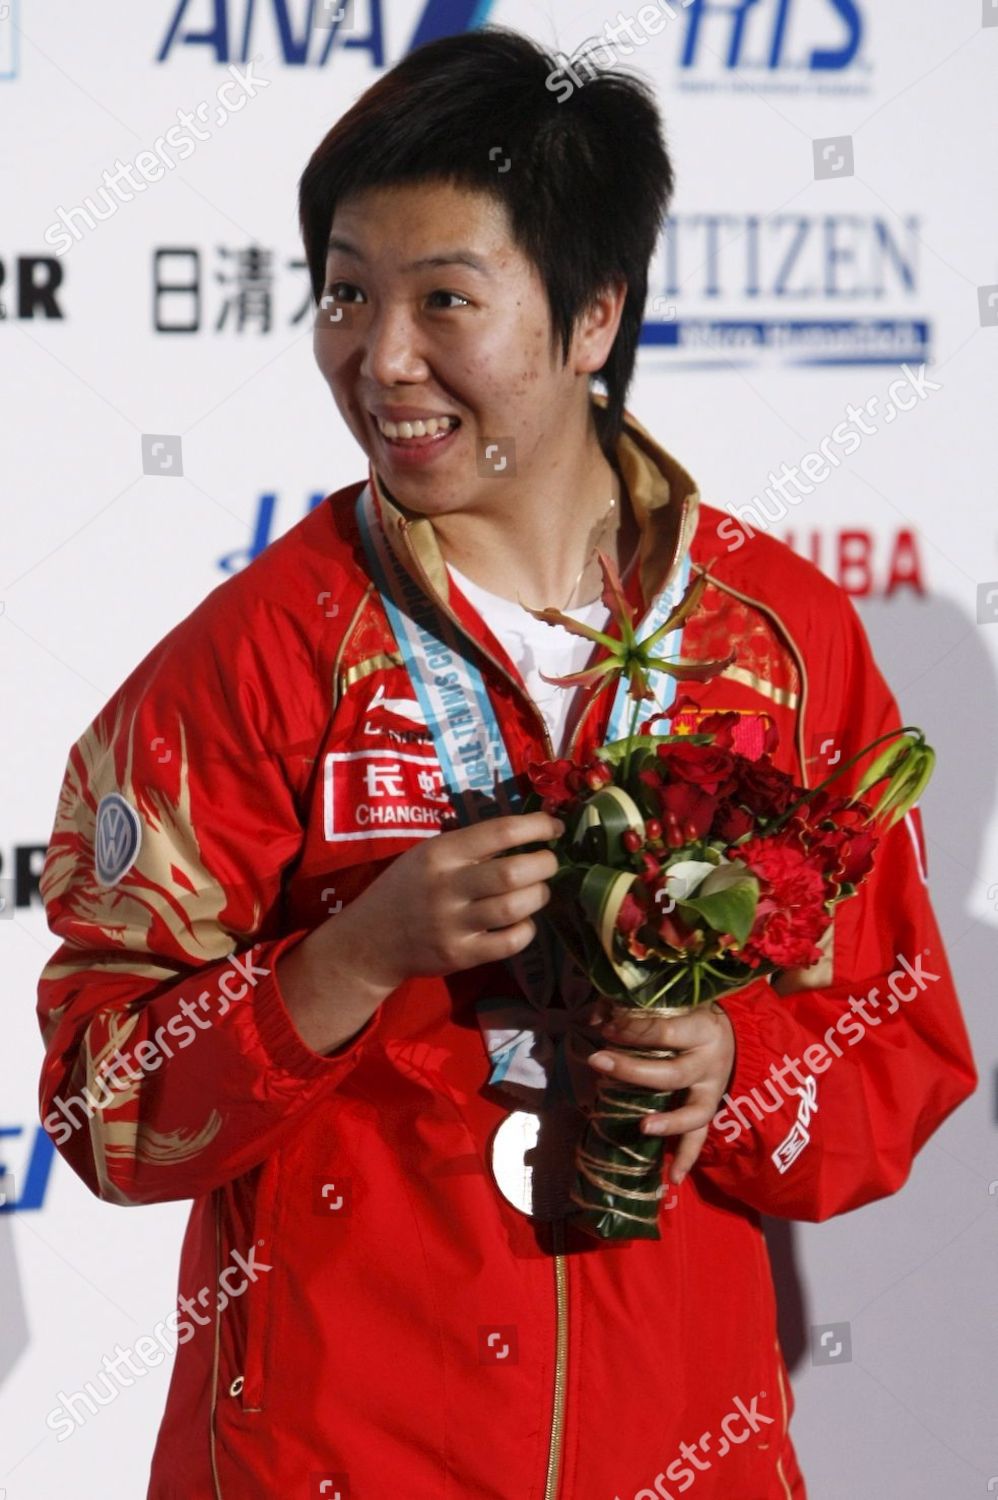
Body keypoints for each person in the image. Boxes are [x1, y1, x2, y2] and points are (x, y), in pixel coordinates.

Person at [36, 26, 976, 1500]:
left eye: (444, 301)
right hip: (327, 1457)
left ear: (593, 316)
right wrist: (344, 962)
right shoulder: (254, 654)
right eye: (346, 293)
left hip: (680, 1452)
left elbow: (899, 1046)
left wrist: (733, 1066)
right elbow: (101, 1105)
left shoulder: (776, 642)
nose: (380, 356)